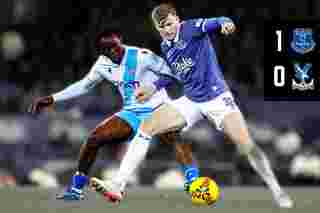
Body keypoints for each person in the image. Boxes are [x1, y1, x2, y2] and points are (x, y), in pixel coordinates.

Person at [90, 3, 294, 208]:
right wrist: (153, 87)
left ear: (177, 19)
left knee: (247, 146)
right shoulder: (165, 46)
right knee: (146, 127)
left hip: (217, 99)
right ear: (157, 28)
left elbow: (218, 22)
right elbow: (174, 74)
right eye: (162, 27)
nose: (167, 30)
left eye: (170, 24)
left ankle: (278, 191)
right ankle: (118, 185)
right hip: (191, 100)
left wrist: (226, 24)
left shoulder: (191, 28)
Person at [28, 27, 200, 201]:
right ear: (102, 52)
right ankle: (76, 189)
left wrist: (154, 87)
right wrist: (52, 98)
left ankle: (194, 182)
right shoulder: (102, 64)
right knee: (94, 138)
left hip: (159, 108)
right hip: (132, 112)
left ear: (121, 43)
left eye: (117, 47)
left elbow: (172, 73)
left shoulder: (142, 55)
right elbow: (84, 85)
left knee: (173, 137)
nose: (115, 51)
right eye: (109, 49)